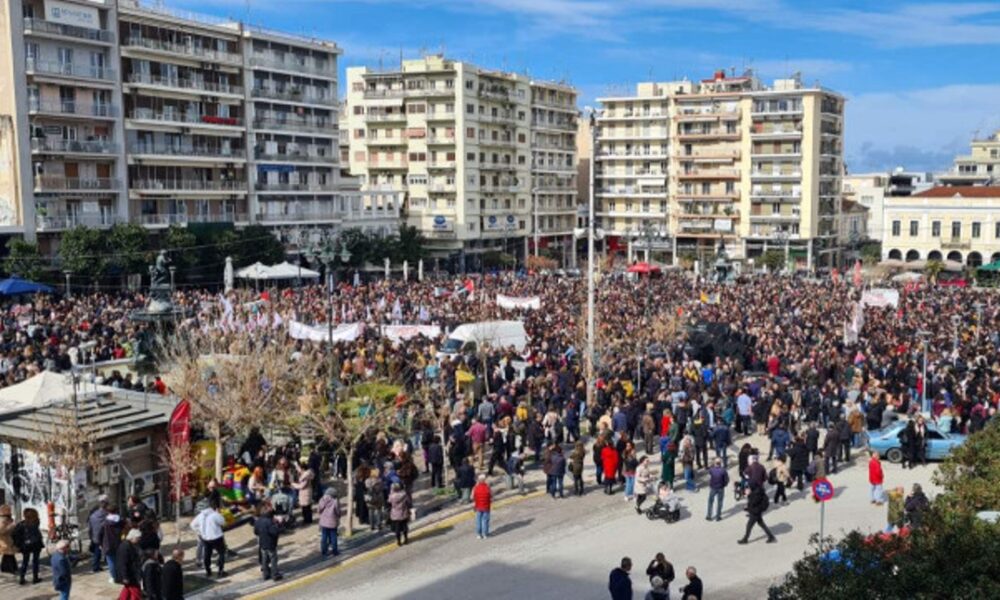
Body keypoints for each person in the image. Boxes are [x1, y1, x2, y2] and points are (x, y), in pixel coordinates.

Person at [190, 499, 227, 578]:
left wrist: (199, 532)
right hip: (217, 537)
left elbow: (192, 525)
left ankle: (208, 571)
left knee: (207, 554)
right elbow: (223, 522)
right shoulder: (215, 514)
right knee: (221, 553)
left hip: (205, 538)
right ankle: (220, 570)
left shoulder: (200, 516)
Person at [13, 507, 43, 584]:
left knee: (25, 561)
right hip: (36, 544)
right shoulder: (36, 522)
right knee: (35, 561)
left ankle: (22, 578)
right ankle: (35, 578)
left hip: (25, 545)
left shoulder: (21, 524)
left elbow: (15, 534)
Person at [253, 504, 282, 581]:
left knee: (264, 560)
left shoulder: (258, 521)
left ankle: (265, 574)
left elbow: (256, 532)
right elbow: (275, 532)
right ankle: (275, 574)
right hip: (271, 544)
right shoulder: (269, 522)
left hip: (262, 543)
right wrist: (278, 524)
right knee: (273, 559)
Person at [115, 528, 143, 600]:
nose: (139, 539)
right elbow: (122, 563)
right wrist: (125, 577)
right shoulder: (125, 547)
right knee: (136, 592)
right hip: (129, 575)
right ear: (132, 537)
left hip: (132, 573)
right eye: (138, 538)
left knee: (127, 590)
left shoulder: (132, 544)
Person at [101, 506, 124, 583]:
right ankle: (121, 575)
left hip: (108, 544)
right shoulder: (121, 520)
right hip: (119, 542)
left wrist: (99, 543)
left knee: (111, 562)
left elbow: (100, 534)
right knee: (119, 560)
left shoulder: (105, 522)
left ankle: (114, 577)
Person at [316, 488, 342, 558]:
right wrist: (339, 516)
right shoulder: (335, 501)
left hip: (323, 522)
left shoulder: (322, 500)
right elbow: (338, 512)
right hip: (333, 522)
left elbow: (318, 510)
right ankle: (335, 551)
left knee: (324, 537)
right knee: (333, 537)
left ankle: (324, 551)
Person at [88, 495, 109, 573]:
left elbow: (90, 527)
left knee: (97, 551)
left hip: (95, 536)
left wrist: (91, 536)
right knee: (105, 551)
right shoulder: (106, 514)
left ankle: (96, 566)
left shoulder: (92, 516)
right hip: (104, 536)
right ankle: (99, 565)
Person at [292, 458, 315, 525]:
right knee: (308, 507)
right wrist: (296, 465)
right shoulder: (308, 473)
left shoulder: (305, 477)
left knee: (305, 508)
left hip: (304, 493)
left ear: (303, 469)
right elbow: (300, 471)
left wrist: (293, 484)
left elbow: (301, 486)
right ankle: (309, 519)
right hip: (308, 492)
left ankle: (307, 520)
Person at [472, 474, 492, 539]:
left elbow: (472, 497)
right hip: (486, 507)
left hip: (478, 507)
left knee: (478, 520)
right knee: (485, 520)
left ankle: (479, 534)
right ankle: (485, 534)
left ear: (478, 480)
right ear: (484, 480)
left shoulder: (475, 488)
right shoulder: (487, 487)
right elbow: (491, 495)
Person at [0, 504, 17, 576]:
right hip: (5, 540)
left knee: (9, 555)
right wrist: (12, 526)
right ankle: (10, 569)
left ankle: (8, 568)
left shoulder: (8, 519)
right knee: (8, 554)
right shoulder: (2, 520)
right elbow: (1, 531)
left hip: (9, 539)